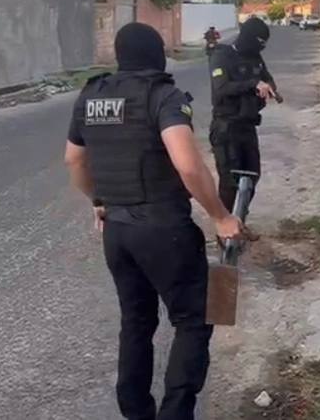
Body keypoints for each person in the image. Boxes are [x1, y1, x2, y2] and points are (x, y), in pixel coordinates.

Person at [63, 22, 243, 420]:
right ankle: (175, 413)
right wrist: (220, 215)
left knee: (137, 321)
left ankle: (136, 411)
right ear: (157, 54)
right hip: (164, 230)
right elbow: (188, 165)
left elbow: (74, 159)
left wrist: (99, 201)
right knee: (194, 320)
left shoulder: (91, 95)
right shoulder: (162, 95)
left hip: (117, 231)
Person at [208, 17, 277, 213]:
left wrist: (269, 88)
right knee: (230, 181)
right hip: (226, 127)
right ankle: (224, 223)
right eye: (260, 42)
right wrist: (253, 84)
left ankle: (239, 218)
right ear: (249, 38)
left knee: (252, 176)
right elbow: (221, 88)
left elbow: (268, 80)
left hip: (247, 126)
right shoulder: (221, 56)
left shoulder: (255, 58)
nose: (263, 47)